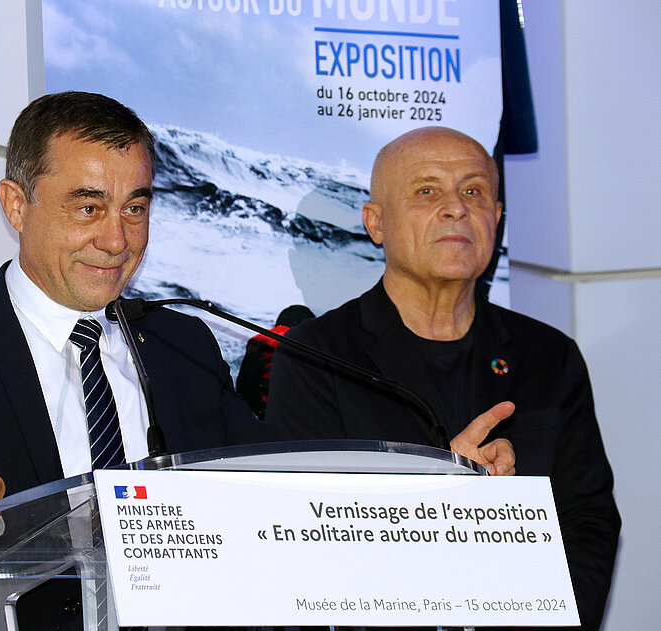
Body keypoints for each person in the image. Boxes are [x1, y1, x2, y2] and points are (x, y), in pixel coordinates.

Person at [0, 91, 259, 631]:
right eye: (88, 207)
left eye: (134, 209)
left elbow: (257, 495)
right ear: (16, 205)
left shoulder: (184, 344)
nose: (117, 240)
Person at [266, 126, 620, 631]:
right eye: (427, 191)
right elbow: (301, 543)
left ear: (495, 219)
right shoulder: (317, 356)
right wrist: (441, 502)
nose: (456, 208)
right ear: (376, 222)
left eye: (474, 191)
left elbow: (588, 523)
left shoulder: (549, 356)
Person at [236, 304, 315, 418]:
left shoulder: (261, 340)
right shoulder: (313, 344)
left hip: (268, 414)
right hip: (303, 416)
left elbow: (244, 387)